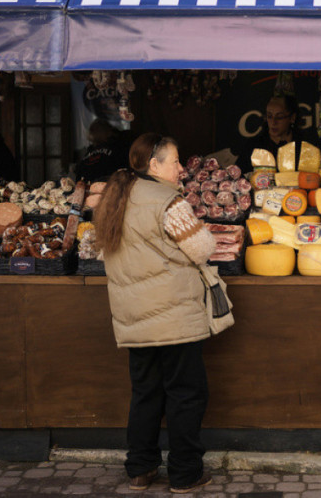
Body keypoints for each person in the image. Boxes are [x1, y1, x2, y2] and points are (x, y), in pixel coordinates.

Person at [94, 133, 218, 494]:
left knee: (145, 392)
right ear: (154, 165)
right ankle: (185, 473)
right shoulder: (168, 202)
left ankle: (140, 469)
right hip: (173, 314)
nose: (181, 168)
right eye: (176, 161)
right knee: (186, 393)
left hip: (134, 316)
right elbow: (201, 248)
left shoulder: (117, 196)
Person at [235, 95, 321, 175]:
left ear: (292, 118)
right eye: (269, 116)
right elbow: (238, 176)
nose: (273, 122)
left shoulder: (305, 145)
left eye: (279, 117)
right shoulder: (254, 146)